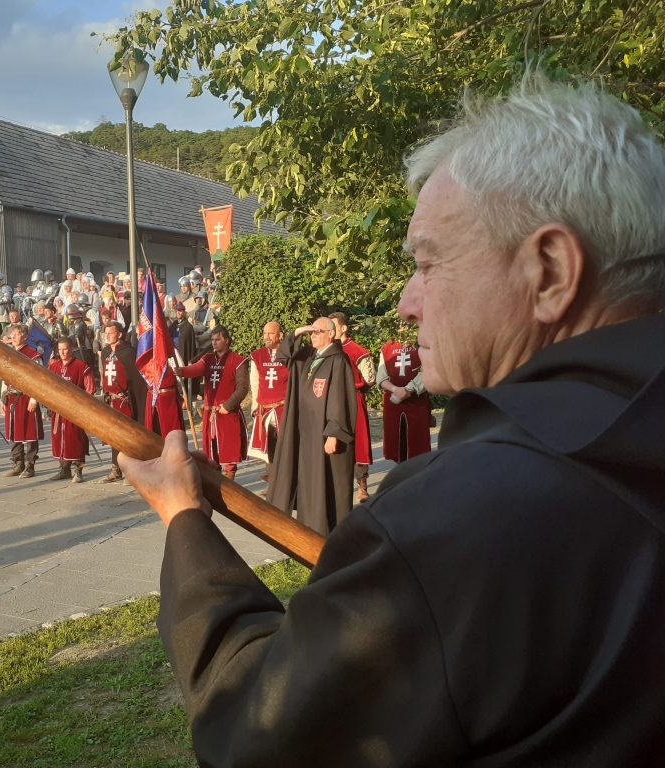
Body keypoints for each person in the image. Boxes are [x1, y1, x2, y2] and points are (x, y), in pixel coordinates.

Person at [118, 74, 665, 766]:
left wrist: (184, 521)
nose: (407, 304)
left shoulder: (463, 517)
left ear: (551, 270)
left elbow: (257, 730)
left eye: (428, 263)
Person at [265, 317, 356, 535]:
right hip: (305, 431)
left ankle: (329, 533)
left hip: (324, 433)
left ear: (330, 334)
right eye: (311, 332)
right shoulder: (308, 357)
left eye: (317, 332)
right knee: (309, 482)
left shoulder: (338, 360)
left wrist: (334, 432)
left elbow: (339, 397)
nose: (313, 335)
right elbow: (283, 355)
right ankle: (309, 529)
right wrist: (298, 331)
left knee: (325, 483)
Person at [176, 327, 249, 480]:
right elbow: (195, 369)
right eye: (212, 340)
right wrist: (181, 371)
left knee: (228, 454)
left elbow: (242, 388)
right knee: (211, 453)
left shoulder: (238, 361)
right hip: (210, 413)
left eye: (217, 340)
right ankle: (216, 485)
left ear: (226, 340)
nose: (214, 343)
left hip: (227, 413)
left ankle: (230, 485)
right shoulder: (208, 359)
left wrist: (228, 406)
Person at [329, 311, 376, 501]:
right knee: (333, 439)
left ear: (343, 328)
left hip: (354, 400)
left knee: (358, 443)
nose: (331, 331)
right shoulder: (327, 349)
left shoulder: (357, 351)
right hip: (332, 402)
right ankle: (336, 485)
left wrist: (355, 388)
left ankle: (362, 486)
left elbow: (370, 379)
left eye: (334, 326)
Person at [97, 321, 145, 483]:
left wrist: (132, 398)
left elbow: (136, 380)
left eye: (111, 333)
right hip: (111, 401)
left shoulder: (128, 353)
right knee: (114, 436)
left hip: (126, 401)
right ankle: (115, 469)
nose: (108, 336)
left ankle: (132, 470)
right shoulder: (104, 352)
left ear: (119, 334)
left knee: (128, 436)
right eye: (106, 333)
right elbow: (104, 375)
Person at [47, 339, 96, 483]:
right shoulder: (54, 367)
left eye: (65, 349)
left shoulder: (81, 366)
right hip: (58, 411)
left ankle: (78, 470)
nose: (62, 352)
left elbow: (90, 389)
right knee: (60, 439)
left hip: (75, 412)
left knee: (76, 440)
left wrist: (82, 406)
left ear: (71, 349)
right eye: (60, 349)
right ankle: (64, 469)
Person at [377, 333, 432, 462]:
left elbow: (428, 370)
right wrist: (396, 390)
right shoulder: (386, 348)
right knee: (396, 442)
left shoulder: (422, 344)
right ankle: (401, 472)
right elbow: (381, 377)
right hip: (393, 403)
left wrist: (409, 389)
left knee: (417, 443)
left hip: (416, 402)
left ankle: (418, 476)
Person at [1, 324, 44, 478]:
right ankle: (18, 463)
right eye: (12, 333)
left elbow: (39, 380)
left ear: (25, 336)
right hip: (11, 398)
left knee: (29, 432)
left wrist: (34, 399)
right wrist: (2, 398)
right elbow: (4, 377)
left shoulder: (33, 355)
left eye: (17, 334)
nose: (13, 336)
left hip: (27, 398)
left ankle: (30, 465)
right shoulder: (8, 353)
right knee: (14, 432)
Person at [248, 321, 289, 475]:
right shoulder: (257, 355)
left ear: (280, 336)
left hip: (283, 407)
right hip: (264, 409)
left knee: (285, 447)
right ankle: (272, 481)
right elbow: (254, 381)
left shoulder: (288, 355)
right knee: (268, 447)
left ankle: (285, 481)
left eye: (271, 333)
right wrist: (254, 405)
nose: (267, 337)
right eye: (265, 333)